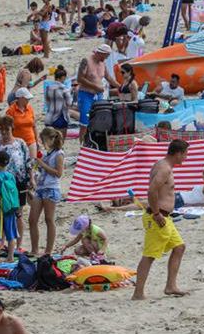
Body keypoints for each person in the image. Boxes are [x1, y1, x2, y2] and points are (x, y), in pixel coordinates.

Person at [132, 139, 190, 300]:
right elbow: (151, 191)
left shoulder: (162, 165)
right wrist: (156, 214)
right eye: (185, 154)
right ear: (178, 153)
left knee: (179, 247)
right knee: (149, 255)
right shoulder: (164, 169)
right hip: (158, 217)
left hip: (165, 218)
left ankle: (171, 286)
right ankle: (138, 293)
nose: (186, 157)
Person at [0, 116, 33, 251]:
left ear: (12, 128)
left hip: (18, 182)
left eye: (7, 130)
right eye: (2, 130)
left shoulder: (20, 143)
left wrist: (31, 179)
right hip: (2, 184)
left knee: (18, 213)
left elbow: (29, 162)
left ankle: (18, 245)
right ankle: (2, 244)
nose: (4, 133)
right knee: (3, 213)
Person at [29, 127, 63, 256]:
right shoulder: (46, 154)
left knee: (49, 219)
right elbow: (40, 169)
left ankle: (48, 250)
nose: (43, 143)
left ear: (51, 139)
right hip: (40, 188)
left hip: (51, 188)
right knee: (32, 219)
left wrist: (42, 164)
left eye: (44, 140)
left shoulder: (59, 154)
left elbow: (58, 173)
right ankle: (34, 249)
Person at [77, 44, 118, 142]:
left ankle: (94, 142)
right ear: (101, 53)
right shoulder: (86, 61)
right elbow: (80, 79)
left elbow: (108, 78)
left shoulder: (102, 63)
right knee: (84, 122)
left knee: (99, 119)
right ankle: (82, 144)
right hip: (86, 94)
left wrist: (121, 87)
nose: (107, 58)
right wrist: (95, 86)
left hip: (98, 95)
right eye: (106, 56)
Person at [6, 88, 39, 159]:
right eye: (26, 98)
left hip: (31, 140)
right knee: (19, 164)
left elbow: (34, 126)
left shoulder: (30, 108)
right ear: (20, 98)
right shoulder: (11, 111)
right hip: (17, 143)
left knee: (33, 163)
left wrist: (37, 140)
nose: (28, 100)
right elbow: (7, 128)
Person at [44, 66, 71, 139]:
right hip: (61, 116)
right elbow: (69, 103)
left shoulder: (48, 88)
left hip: (50, 116)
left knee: (51, 141)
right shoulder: (65, 89)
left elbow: (47, 101)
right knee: (60, 140)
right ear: (62, 78)